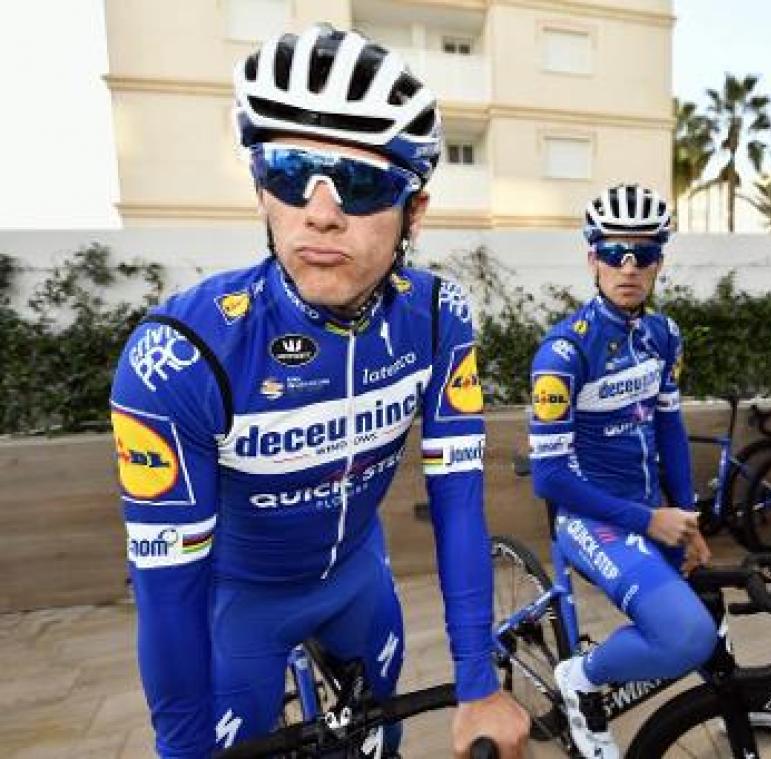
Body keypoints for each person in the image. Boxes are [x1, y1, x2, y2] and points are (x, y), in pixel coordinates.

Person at [110, 24, 528, 758]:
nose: (322, 212)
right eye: (290, 171)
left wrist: (477, 681)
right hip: (236, 602)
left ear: (415, 213)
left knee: (378, 743)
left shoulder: (439, 316)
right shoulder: (179, 355)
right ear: (260, 191)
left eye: (361, 184)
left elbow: (460, 504)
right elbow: (166, 592)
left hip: (357, 582)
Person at [527, 185, 716, 758]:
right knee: (687, 634)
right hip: (591, 518)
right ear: (593, 259)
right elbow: (549, 480)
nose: (628, 267)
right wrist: (650, 520)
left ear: (659, 262)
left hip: (652, 512)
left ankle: (728, 699)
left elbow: (670, 430)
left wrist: (688, 518)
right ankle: (581, 679)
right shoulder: (564, 353)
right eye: (614, 253)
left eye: (643, 254)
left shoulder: (664, 335)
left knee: (711, 606)